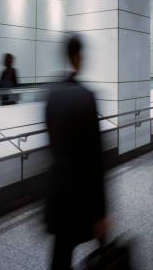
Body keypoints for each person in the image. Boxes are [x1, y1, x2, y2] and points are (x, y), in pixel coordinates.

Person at [45, 35, 107, 270]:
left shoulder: (51, 94)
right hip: (81, 192)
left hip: (58, 190)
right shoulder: (86, 97)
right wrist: (102, 211)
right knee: (103, 252)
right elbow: (95, 158)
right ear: (78, 56)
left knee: (61, 252)